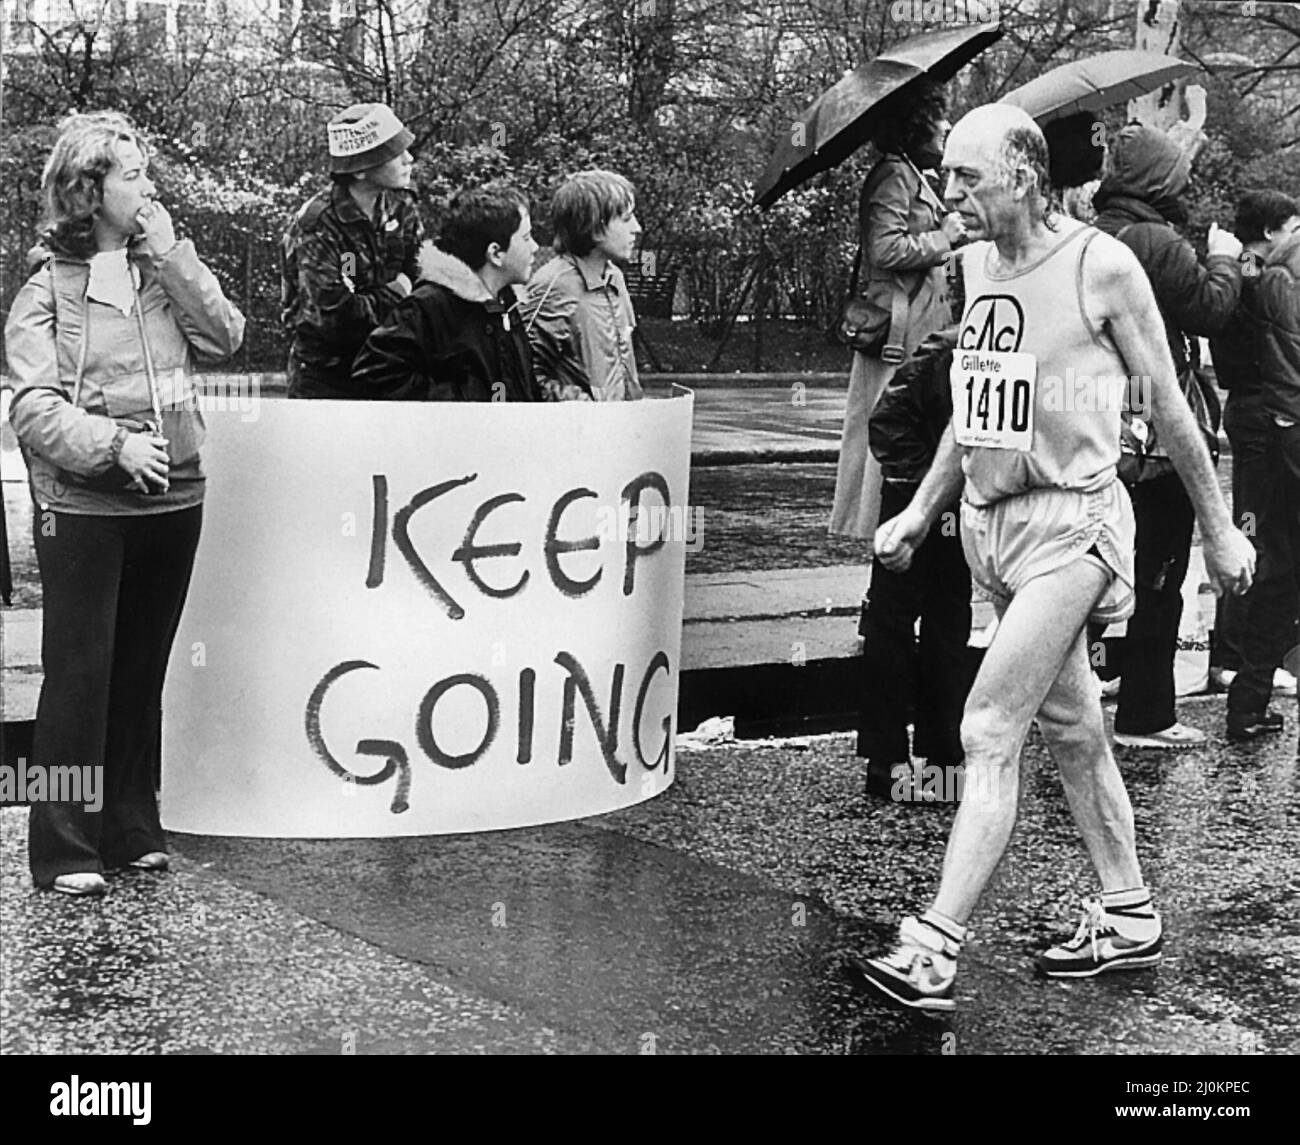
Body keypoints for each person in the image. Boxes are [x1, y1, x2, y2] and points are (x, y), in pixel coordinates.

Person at [853, 105, 1254, 1011]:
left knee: (990, 726)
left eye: (967, 178)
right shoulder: (973, 268)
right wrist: (923, 511)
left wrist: (1219, 528)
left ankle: (933, 946)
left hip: (1077, 526)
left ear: (1025, 177)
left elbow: (1172, 409)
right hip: (996, 528)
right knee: (1073, 730)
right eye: (948, 177)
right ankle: (1129, 911)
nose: (949, 195)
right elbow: (975, 405)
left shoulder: (1100, 266)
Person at [5, 112, 245, 896]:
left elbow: (226, 337)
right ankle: (64, 843)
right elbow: (33, 408)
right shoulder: (46, 290)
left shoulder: (162, 272)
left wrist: (174, 252)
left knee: (142, 671)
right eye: (133, 175)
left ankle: (132, 826)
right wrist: (113, 446)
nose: (148, 187)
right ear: (88, 189)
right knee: (79, 673)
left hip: (176, 497)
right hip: (83, 506)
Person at [1089, 124, 1244, 750]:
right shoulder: (1154, 239)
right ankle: (1147, 714)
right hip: (1154, 432)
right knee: (1161, 567)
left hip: (1103, 425)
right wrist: (1225, 257)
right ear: (1161, 179)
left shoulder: (1095, 232)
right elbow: (1208, 307)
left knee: (1098, 565)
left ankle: (1091, 692)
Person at [829, 78, 965, 544]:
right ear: (915, 125)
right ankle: (884, 521)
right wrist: (942, 238)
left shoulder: (908, 174)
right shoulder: (893, 175)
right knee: (892, 422)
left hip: (914, 324)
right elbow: (884, 249)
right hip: (897, 332)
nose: (946, 126)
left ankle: (902, 519)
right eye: (937, 117)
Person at [858, 340, 971, 800]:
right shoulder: (946, 351)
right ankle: (890, 760)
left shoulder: (956, 348)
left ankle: (939, 756)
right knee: (897, 622)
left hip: (945, 498)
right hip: (926, 495)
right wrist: (921, 495)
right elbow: (887, 420)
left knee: (945, 623)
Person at [1209, 190, 1300, 700]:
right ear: (1269, 232)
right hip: (1261, 411)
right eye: (1292, 226)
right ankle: (1239, 655)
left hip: (1250, 407)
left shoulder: (1241, 272)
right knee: (1261, 535)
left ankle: (1246, 656)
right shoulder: (1255, 276)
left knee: (1262, 533)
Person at [281, 103, 424, 399]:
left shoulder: (402, 207)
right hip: (326, 380)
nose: (409, 159)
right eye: (394, 153)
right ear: (360, 171)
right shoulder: (318, 224)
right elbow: (333, 319)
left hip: (387, 367)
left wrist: (385, 297)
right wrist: (396, 293)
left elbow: (421, 281)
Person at [352, 184, 541, 401]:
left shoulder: (507, 303)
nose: (535, 246)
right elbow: (375, 374)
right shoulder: (428, 307)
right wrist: (462, 404)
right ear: (495, 253)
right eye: (526, 238)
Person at [521, 170, 644, 401]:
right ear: (595, 228)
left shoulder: (614, 276)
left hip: (620, 429)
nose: (637, 228)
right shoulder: (553, 286)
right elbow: (520, 374)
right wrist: (574, 401)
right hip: (576, 431)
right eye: (627, 219)